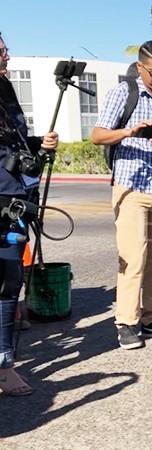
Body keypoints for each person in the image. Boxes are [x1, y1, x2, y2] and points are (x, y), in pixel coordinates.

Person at [90, 41, 152, 349]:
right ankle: (126, 323)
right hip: (132, 187)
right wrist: (128, 132)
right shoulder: (124, 93)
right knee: (133, 258)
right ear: (140, 67)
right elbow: (97, 135)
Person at [0, 31, 58, 394]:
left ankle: (4, 365)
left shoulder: (5, 89)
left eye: (5, 49)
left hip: (12, 199)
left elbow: (14, 142)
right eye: (0, 51)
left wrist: (37, 144)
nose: (6, 56)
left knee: (9, 282)